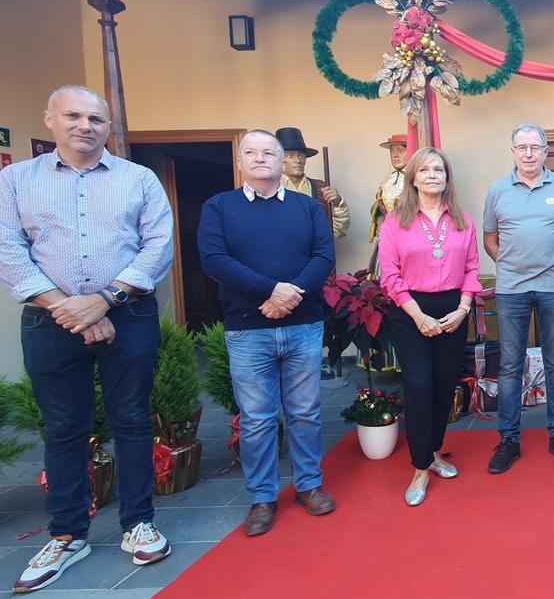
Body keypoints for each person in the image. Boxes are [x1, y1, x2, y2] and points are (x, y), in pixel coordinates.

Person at [0, 86, 174, 593]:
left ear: (107, 124)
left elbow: (158, 246)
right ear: (50, 119)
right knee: (64, 429)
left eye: (96, 117)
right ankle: (67, 533)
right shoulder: (15, 180)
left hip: (128, 314)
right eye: (73, 115)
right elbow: (9, 251)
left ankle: (138, 521)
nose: (85, 125)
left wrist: (105, 300)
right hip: (48, 321)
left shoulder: (138, 179)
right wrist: (70, 307)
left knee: (133, 420)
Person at [197, 129, 337, 537]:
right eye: (252, 153)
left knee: (306, 412)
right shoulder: (219, 207)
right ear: (240, 161)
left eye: (269, 153)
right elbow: (214, 259)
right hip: (249, 328)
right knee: (257, 419)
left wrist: (289, 296)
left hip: (302, 324)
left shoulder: (306, 207)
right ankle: (262, 496)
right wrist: (269, 291)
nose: (261, 159)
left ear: (282, 161)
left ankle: (309, 485)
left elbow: (323, 257)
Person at [377, 147, 482, 505]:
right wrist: (418, 315)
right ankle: (420, 467)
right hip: (410, 311)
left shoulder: (462, 220)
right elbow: (388, 275)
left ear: (447, 177)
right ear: (413, 178)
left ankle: (434, 451)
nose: (433, 175)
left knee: (442, 387)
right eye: (425, 170)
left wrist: (464, 307)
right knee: (419, 386)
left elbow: (471, 268)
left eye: (439, 169)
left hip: (453, 309)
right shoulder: (396, 220)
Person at [482, 122, 554, 473]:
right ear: (512, 151)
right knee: (510, 366)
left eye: (535, 147)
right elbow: (490, 239)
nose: (528, 153)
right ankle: (508, 440)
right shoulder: (497, 190)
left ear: (545, 151)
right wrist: (512, 265)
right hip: (511, 289)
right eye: (521, 147)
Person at [276, 127, 351, 239]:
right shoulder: (269, 189)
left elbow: (336, 230)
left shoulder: (320, 187)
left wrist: (337, 203)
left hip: (316, 254)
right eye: (289, 155)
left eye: (301, 155)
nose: (298, 160)